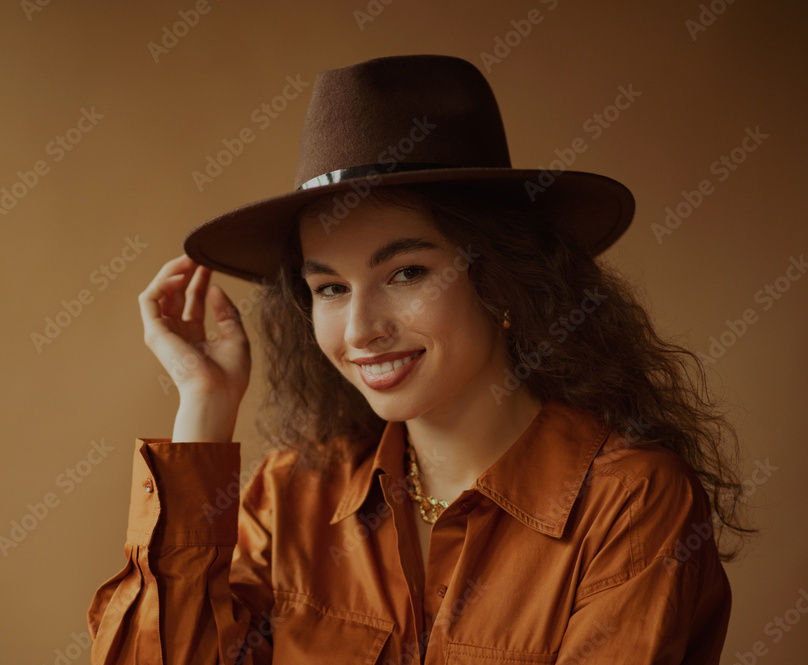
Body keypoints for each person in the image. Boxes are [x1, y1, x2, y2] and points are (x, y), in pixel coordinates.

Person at [86, 54, 752, 664]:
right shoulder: (289, 497)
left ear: (502, 278)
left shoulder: (630, 502)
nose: (360, 328)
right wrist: (203, 404)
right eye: (329, 288)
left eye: (405, 272)